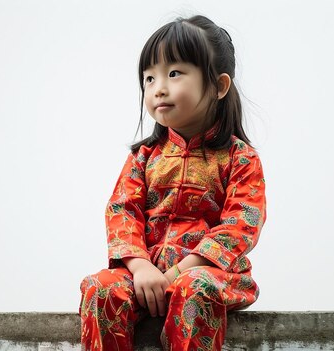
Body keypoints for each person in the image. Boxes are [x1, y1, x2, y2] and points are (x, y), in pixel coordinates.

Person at [79, 15, 266, 351]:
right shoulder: (144, 157)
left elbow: (241, 224)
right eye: (149, 78)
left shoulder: (241, 159)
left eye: (174, 73)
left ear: (219, 86)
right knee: (101, 288)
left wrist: (181, 269)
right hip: (145, 272)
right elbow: (123, 210)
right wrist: (140, 267)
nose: (158, 87)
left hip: (211, 274)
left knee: (194, 288)